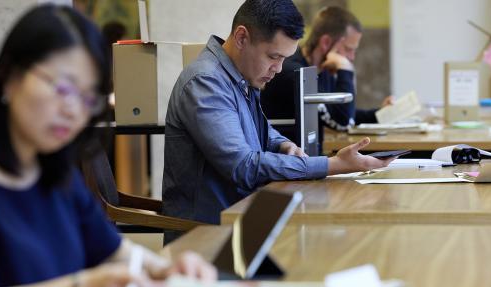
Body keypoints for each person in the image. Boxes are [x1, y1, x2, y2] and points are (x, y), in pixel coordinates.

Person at [0, 5, 215, 287]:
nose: (72, 111)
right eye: (62, 88)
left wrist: (165, 270)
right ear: (9, 74)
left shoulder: (53, 169)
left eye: (87, 98)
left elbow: (114, 252)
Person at [162, 0, 393, 227]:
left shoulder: (240, 73)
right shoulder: (206, 82)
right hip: (209, 236)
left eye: (284, 58)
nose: (279, 68)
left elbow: (252, 128)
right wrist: (333, 164)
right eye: (274, 57)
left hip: (247, 218)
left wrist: (281, 143)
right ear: (242, 38)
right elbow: (244, 166)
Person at [261, 6, 394, 143]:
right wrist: (345, 69)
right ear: (326, 42)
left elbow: (342, 113)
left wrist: (381, 114)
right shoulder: (295, 73)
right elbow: (343, 122)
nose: (352, 57)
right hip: (288, 161)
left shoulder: (323, 69)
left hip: (307, 158)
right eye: (348, 49)